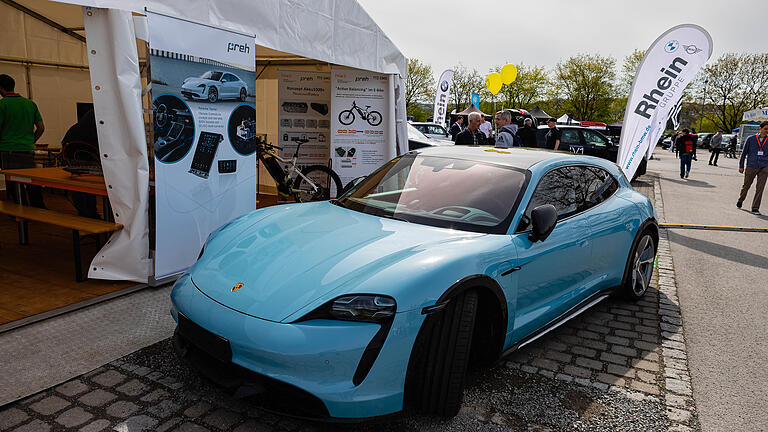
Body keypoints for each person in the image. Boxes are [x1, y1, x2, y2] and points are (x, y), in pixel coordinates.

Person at [0, 74, 45, 208]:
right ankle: (39, 207)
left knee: (14, 181)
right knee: (31, 180)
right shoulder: (30, 104)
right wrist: (31, 140)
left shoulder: (2, 105)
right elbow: (41, 128)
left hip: (8, 149)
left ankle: (21, 208)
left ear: (1, 88)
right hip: (27, 149)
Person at [61, 108, 100, 218]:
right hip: (76, 144)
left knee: (85, 179)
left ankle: (89, 212)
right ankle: (87, 213)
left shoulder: (98, 110)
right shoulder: (102, 111)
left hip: (77, 142)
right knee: (81, 179)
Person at [737, 121, 768, 215]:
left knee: (760, 188)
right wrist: (741, 166)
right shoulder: (751, 139)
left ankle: (755, 208)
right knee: (746, 186)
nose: (767, 131)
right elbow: (744, 153)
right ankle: (741, 200)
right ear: (760, 128)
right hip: (751, 165)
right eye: (765, 129)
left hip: (764, 166)